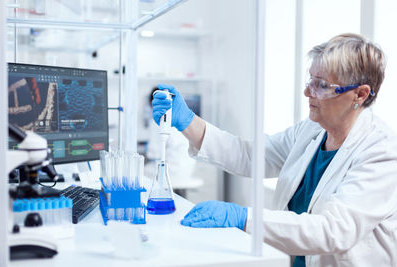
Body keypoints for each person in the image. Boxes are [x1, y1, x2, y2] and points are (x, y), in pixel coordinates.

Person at [151, 33, 397, 267]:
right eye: (310, 80)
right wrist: (188, 121)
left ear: (360, 94)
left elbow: (332, 230)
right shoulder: (311, 131)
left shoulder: (381, 153)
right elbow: (251, 156)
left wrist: (243, 217)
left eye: (321, 85)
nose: (307, 92)